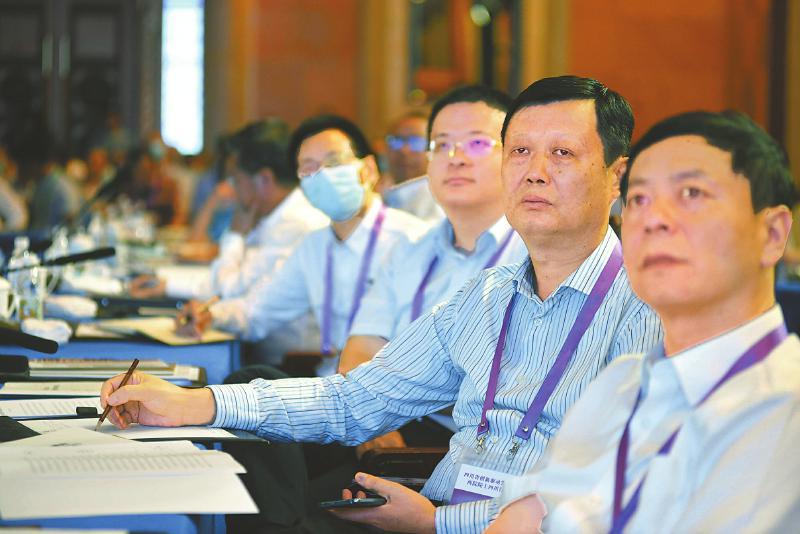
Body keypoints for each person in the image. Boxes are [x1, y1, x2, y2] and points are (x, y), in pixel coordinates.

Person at [100, 76, 662, 533]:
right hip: (426, 506)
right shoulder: (486, 296)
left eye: (562, 153)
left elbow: (608, 493)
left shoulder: (647, 309)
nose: (534, 171)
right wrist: (194, 403)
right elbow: (356, 398)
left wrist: (438, 523)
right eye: (519, 151)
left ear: (617, 176)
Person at [488, 111, 800, 532]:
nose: (654, 219)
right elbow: (521, 516)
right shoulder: (622, 383)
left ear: (773, 233)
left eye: (692, 193)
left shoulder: (785, 410)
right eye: (638, 199)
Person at [176, 114, 429, 374]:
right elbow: (257, 312)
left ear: (368, 170)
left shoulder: (412, 239)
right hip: (329, 383)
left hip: (392, 387)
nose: (323, 175)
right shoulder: (315, 246)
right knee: (245, 378)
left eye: (334, 162)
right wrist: (210, 314)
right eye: (309, 169)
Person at [341, 85, 528, 374]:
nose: (455, 157)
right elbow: (360, 349)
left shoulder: (537, 255)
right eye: (441, 145)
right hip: (392, 404)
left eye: (477, 143)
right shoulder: (407, 251)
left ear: (517, 156)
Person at [129, 120, 328, 302]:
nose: (233, 189)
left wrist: (235, 235)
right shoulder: (274, 216)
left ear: (264, 180)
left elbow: (230, 291)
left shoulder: (295, 225)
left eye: (236, 180)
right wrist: (167, 284)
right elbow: (230, 281)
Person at [382, 111, 446, 223]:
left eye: (416, 143)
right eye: (396, 141)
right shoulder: (381, 195)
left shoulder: (440, 205)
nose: (404, 150)